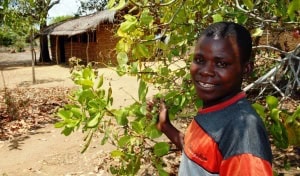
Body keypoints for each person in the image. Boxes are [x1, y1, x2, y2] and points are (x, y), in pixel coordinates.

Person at [147, 22, 273, 175]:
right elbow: (200, 153)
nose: (206, 71)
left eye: (221, 64)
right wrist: (165, 126)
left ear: (246, 69)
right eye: (200, 60)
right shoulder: (215, 109)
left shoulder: (243, 133)